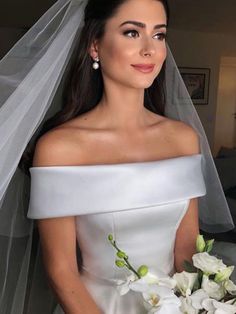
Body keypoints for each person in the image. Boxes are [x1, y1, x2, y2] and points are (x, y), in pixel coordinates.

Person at [0, 0, 234, 313]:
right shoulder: (60, 148)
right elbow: (61, 270)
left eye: (159, 35)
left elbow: (187, 250)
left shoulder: (182, 139)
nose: (150, 49)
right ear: (95, 46)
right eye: (132, 33)